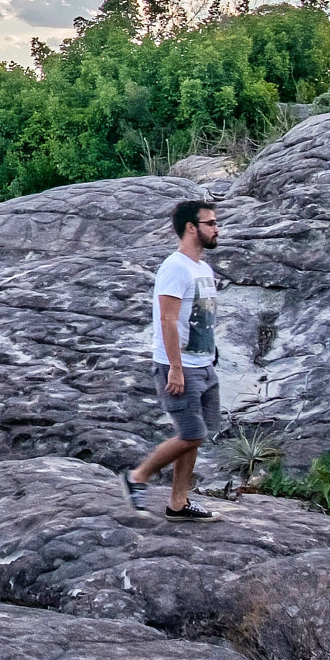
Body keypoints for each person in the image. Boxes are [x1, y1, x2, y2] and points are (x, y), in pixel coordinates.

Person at [122, 200, 223, 522]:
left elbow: (200, 318)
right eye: (210, 223)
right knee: (192, 434)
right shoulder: (175, 267)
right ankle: (137, 476)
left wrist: (209, 357)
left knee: (196, 434)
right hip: (178, 367)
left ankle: (178, 503)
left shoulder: (203, 269)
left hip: (204, 365)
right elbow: (167, 320)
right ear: (191, 228)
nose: (216, 228)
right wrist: (176, 369)